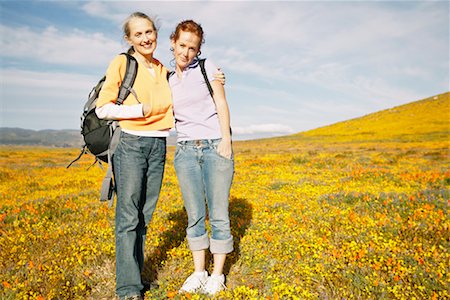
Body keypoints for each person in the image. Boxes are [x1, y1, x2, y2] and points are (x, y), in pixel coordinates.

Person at [95, 12, 173, 300]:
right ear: (129, 38)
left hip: (159, 145)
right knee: (128, 216)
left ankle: (135, 277)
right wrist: (137, 111)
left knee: (145, 215)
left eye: (149, 32)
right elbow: (103, 108)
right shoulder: (122, 63)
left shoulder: (162, 68)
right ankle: (127, 288)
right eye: (138, 34)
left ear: (156, 33)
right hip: (130, 143)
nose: (145, 38)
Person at [168, 20, 234, 296]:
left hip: (214, 147)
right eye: (182, 45)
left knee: (218, 214)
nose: (186, 52)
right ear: (173, 42)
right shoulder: (167, 79)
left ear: (198, 50)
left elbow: (221, 103)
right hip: (184, 150)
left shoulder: (208, 68)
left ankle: (217, 275)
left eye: (192, 48)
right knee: (194, 214)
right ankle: (199, 272)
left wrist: (226, 141)